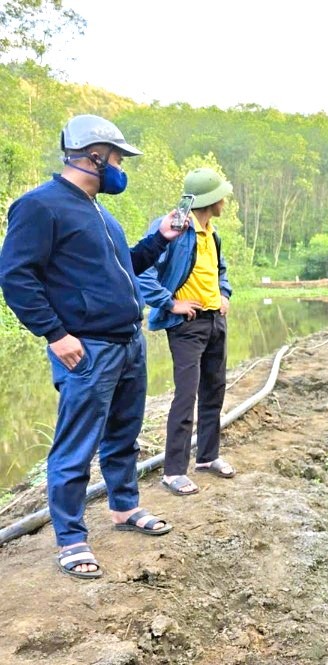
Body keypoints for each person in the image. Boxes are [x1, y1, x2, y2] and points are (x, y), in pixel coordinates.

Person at [0, 114, 188, 579]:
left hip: (128, 342)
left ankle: (124, 509)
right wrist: (55, 335)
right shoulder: (40, 207)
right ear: (94, 156)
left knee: (123, 436)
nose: (121, 168)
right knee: (75, 446)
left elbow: (126, 267)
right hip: (87, 350)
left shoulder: (101, 212)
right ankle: (71, 538)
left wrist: (160, 240)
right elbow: (15, 276)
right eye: (118, 158)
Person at [138, 168, 235, 497]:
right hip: (187, 324)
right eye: (221, 195)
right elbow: (141, 271)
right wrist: (169, 303)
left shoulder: (212, 232)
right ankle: (174, 471)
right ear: (210, 199)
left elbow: (219, 269)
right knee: (185, 395)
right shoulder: (175, 228)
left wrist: (224, 294)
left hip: (214, 320)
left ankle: (207, 458)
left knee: (214, 390)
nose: (225, 200)